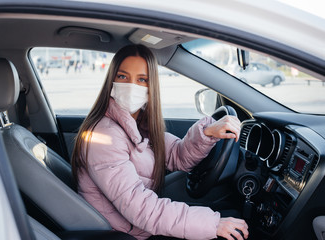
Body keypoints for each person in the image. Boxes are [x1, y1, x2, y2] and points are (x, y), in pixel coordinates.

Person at [71, 44, 248, 240]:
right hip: (126, 233)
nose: (131, 86)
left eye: (142, 80)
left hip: (138, 226)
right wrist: (213, 224)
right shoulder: (105, 136)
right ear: (111, 82)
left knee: (230, 213)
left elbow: (177, 155)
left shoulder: (136, 124)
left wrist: (208, 132)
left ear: (150, 87)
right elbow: (140, 208)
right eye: (122, 77)